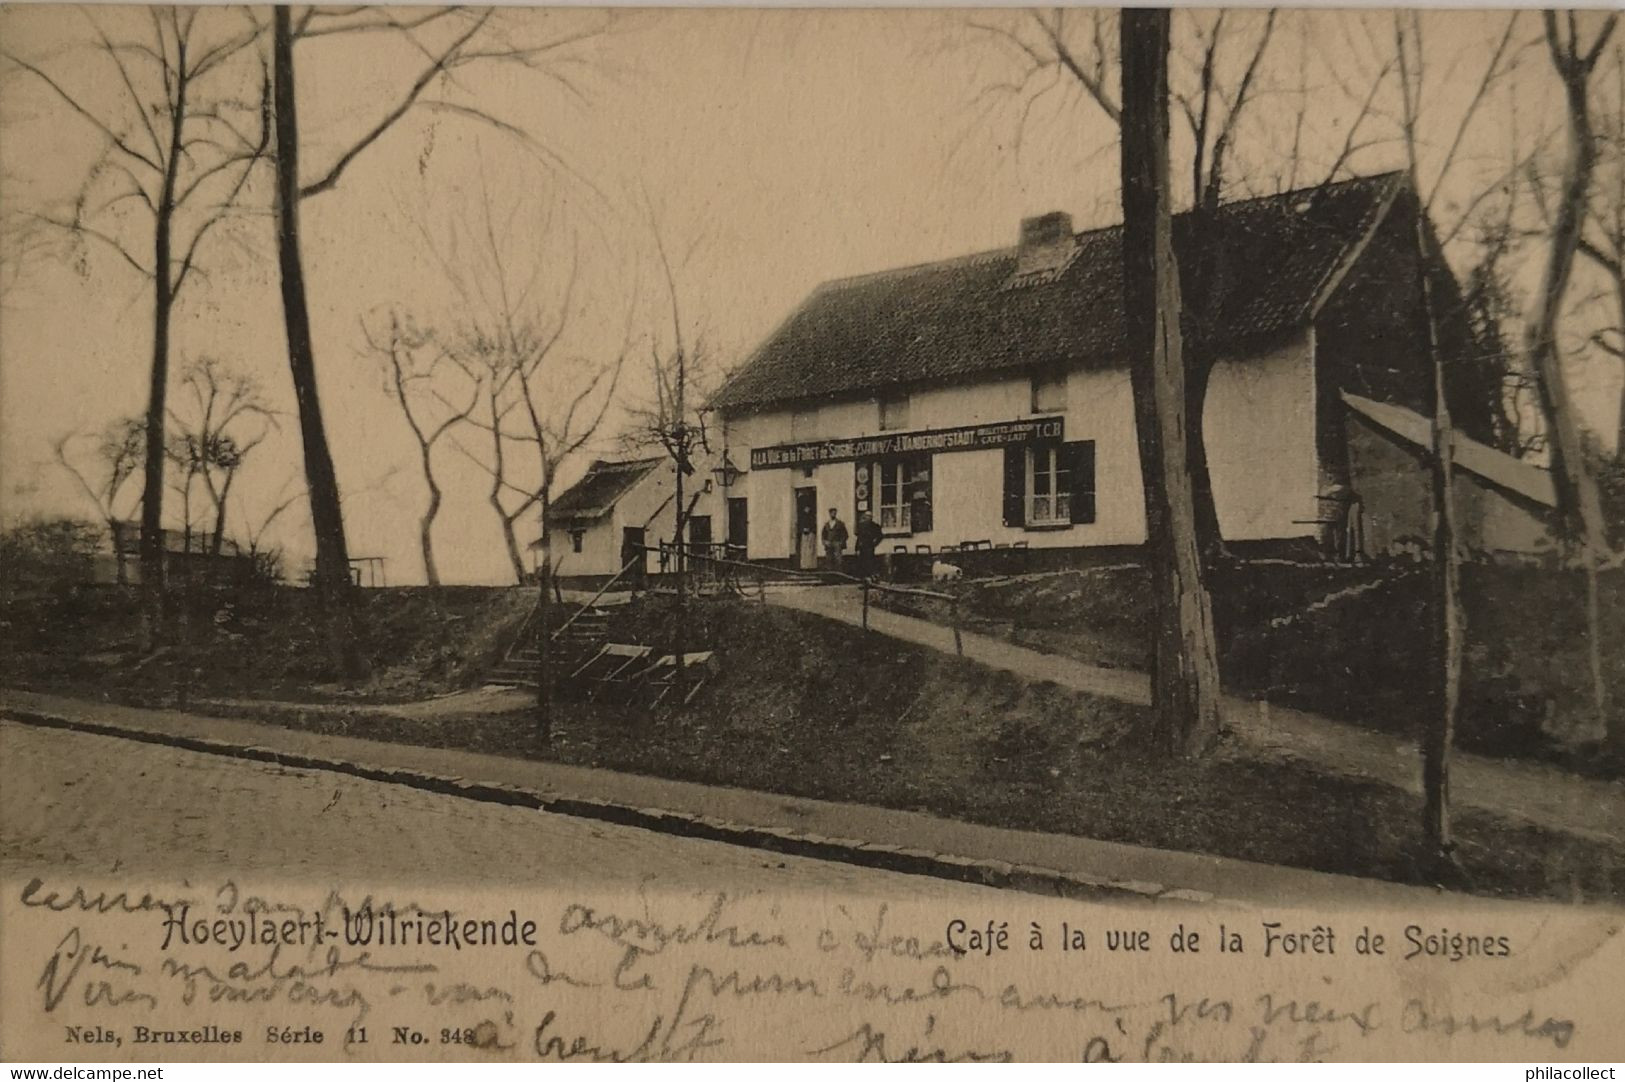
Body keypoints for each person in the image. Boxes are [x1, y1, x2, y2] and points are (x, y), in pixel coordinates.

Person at [854, 510, 883, 580]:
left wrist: (875, 543)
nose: (868, 517)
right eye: (866, 516)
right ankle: (863, 580)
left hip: (869, 546)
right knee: (862, 563)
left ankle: (871, 578)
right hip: (862, 547)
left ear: (871, 517)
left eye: (869, 516)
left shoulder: (875, 526)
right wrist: (857, 548)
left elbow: (880, 536)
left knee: (870, 562)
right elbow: (859, 538)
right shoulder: (861, 525)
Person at [820, 507, 849, 573]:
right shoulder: (827, 524)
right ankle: (829, 573)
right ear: (829, 514)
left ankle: (839, 573)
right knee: (828, 558)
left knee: (838, 559)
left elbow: (845, 535)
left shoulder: (840, 524)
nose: (833, 514)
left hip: (837, 544)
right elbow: (823, 534)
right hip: (829, 544)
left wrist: (840, 542)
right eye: (832, 513)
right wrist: (824, 541)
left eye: (834, 513)